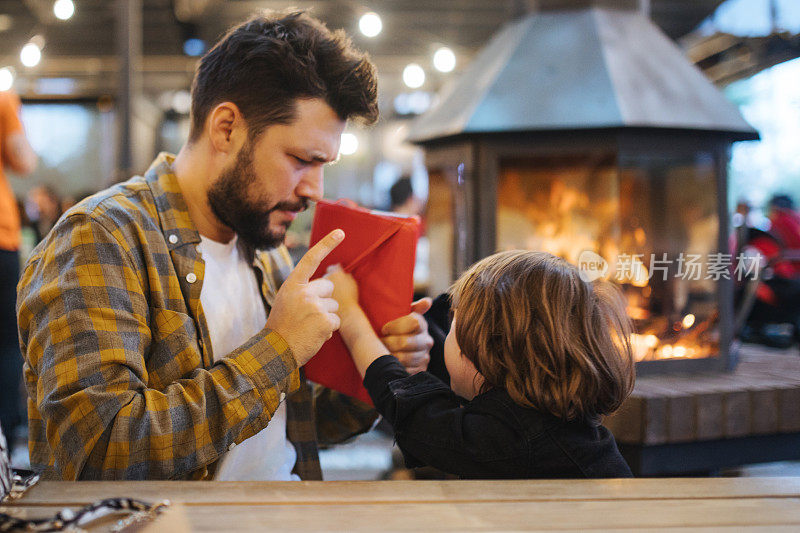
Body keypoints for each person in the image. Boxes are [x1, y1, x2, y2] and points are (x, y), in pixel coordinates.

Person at [17, 11, 433, 481]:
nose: (315, 189)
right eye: (301, 159)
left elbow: (287, 423)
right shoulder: (101, 238)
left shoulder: (263, 246)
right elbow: (100, 448)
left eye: (324, 164)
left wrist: (377, 367)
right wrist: (277, 349)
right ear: (226, 128)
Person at [327, 250, 635, 479]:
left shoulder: (507, 438)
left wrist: (352, 320)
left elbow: (414, 412)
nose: (445, 335)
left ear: (486, 351)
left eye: (452, 324)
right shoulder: (545, 422)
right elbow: (435, 400)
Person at [0, 89, 37, 456]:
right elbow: (24, 161)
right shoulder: (2, 99)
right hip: (0, 238)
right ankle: (7, 448)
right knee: (7, 345)